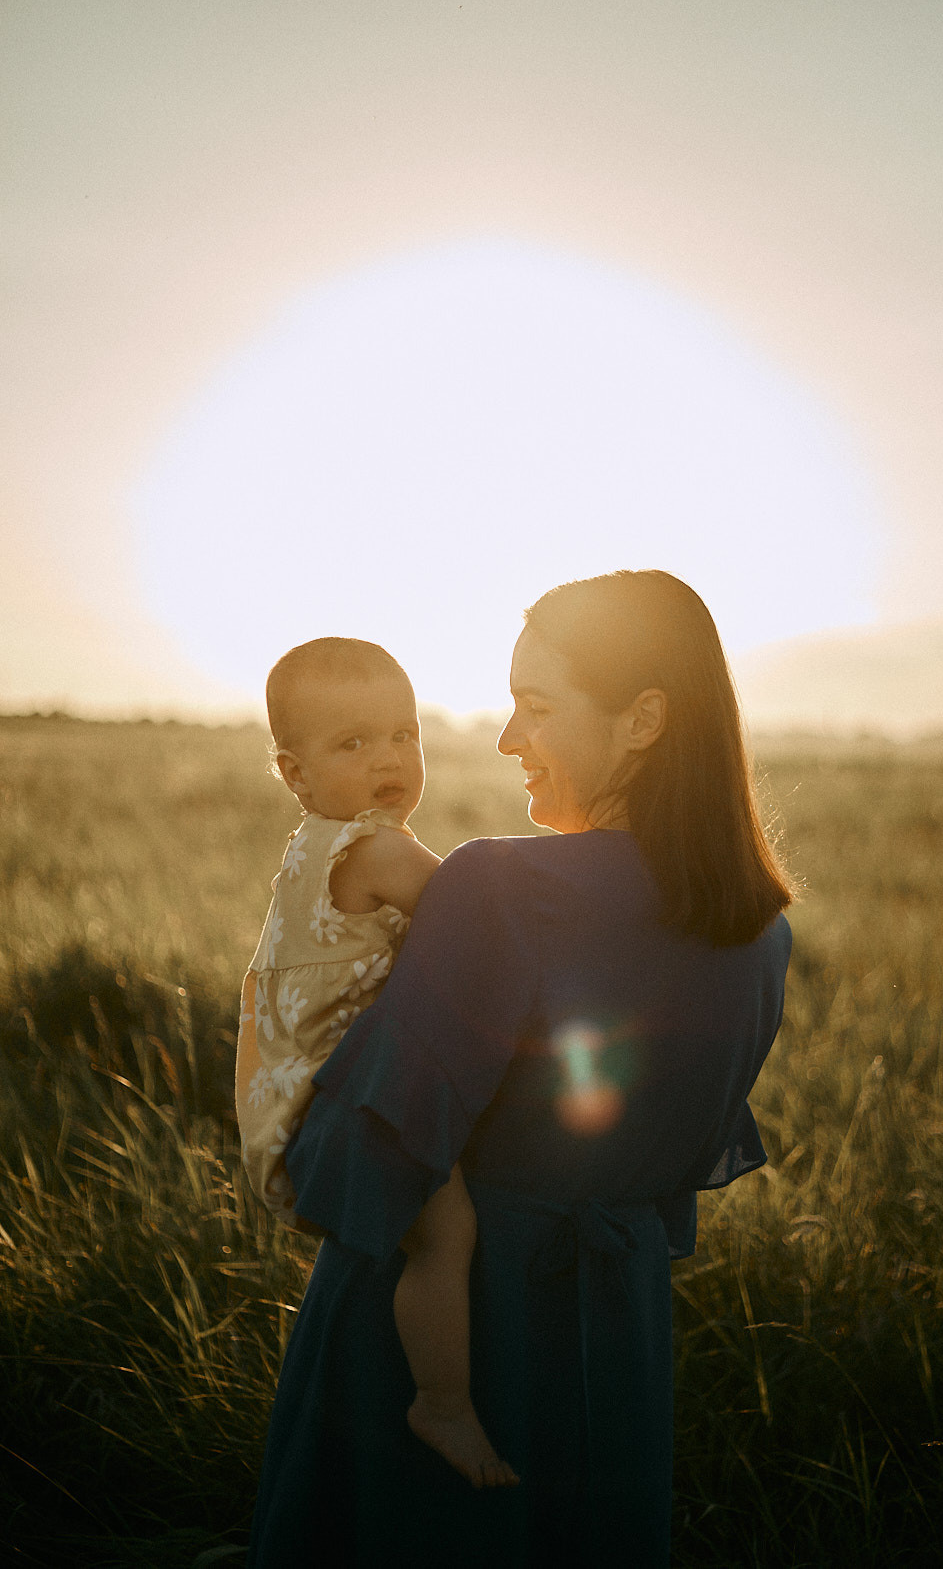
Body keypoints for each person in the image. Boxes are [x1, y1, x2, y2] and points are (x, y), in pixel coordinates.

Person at [246, 572, 793, 1568]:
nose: (505, 739)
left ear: (643, 721)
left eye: (535, 707)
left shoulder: (498, 890)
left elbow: (356, 1155)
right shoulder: (760, 931)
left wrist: (283, 1071)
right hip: (614, 1350)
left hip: (436, 1358)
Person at [236, 636, 516, 1489]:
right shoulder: (379, 851)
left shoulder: (311, 845)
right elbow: (482, 923)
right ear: (296, 772)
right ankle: (442, 1402)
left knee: (420, 1235)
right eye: (353, 744)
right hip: (348, 1098)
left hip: (295, 1092)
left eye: (404, 733)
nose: (389, 758)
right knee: (447, 1232)